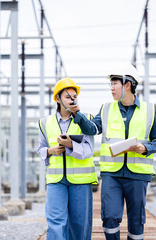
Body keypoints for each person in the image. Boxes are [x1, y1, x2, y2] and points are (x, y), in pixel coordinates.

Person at [66, 65, 156, 240]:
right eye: (110, 84)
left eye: (114, 83)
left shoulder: (149, 110)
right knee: (110, 216)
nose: (111, 88)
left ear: (127, 84)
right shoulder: (106, 109)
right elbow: (92, 129)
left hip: (138, 175)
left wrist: (145, 148)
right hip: (112, 173)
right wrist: (78, 114)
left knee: (136, 221)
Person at [37, 77, 98, 240]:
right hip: (56, 180)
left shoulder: (87, 120)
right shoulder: (45, 123)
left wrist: (71, 145)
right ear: (57, 99)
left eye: (74, 96)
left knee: (79, 224)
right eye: (67, 96)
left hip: (81, 180)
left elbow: (89, 150)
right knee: (56, 223)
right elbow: (40, 149)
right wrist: (51, 150)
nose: (72, 100)